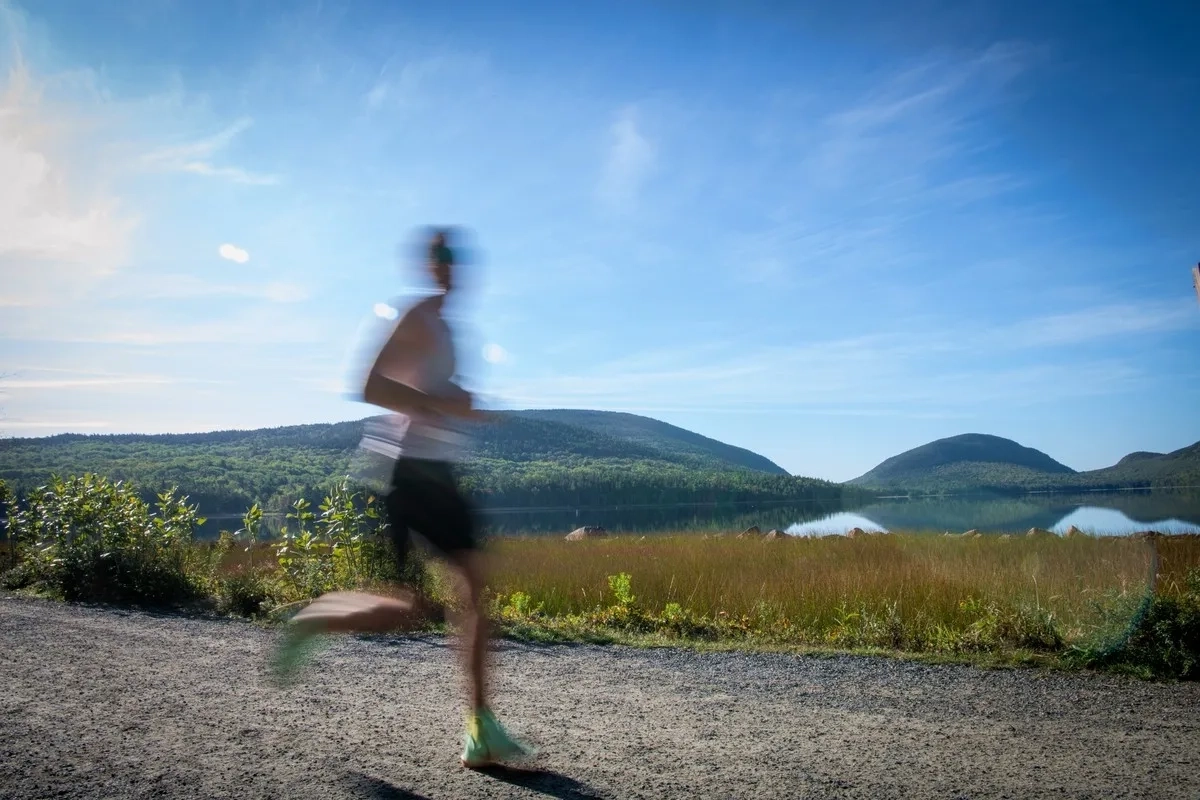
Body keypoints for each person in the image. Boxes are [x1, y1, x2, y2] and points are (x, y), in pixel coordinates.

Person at [271, 227, 533, 769]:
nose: (448, 268)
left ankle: (480, 729)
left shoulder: (444, 325)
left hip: (440, 473)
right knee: (408, 608)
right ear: (426, 266)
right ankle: (317, 618)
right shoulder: (413, 316)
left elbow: (434, 396)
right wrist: (442, 404)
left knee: (476, 596)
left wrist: (466, 410)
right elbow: (367, 386)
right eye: (439, 259)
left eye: (454, 259)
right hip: (408, 471)